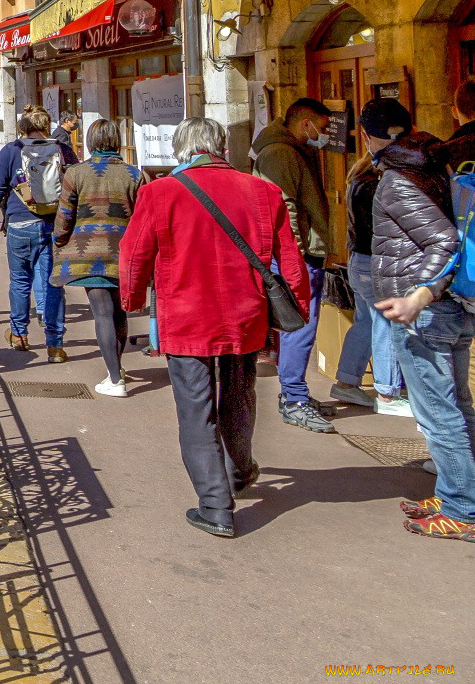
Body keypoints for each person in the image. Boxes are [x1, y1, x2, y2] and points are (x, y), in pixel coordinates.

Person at [119, 117, 309, 538]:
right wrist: (300, 307)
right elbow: (290, 258)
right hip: (245, 314)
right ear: (221, 147)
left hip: (187, 316)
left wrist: (130, 301)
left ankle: (215, 505)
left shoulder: (159, 193)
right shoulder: (263, 191)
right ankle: (239, 471)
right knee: (239, 397)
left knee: (195, 409)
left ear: (181, 150)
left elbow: (133, 255)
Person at [363, 99, 475, 542]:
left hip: (426, 314)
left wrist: (418, 295)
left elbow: (444, 241)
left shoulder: (397, 179)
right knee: (457, 407)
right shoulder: (434, 164)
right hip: (450, 308)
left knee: (438, 415)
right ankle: (458, 493)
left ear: (369, 136)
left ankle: (463, 508)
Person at [251, 97, 341, 432]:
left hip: (300, 255)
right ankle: (294, 398)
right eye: (324, 125)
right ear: (307, 123)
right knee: (299, 329)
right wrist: (296, 256)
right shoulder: (280, 153)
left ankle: (296, 394)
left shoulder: (290, 150)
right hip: (295, 257)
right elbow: (282, 208)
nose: (326, 133)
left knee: (301, 327)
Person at [0, 105, 78, 359]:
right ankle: (55, 344)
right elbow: (76, 184)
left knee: (21, 281)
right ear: (46, 125)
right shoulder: (63, 150)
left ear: (22, 127)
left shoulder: (12, 151)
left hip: (20, 224)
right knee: (53, 283)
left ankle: (19, 334)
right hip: (55, 225)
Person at [52, 119, 143, 397]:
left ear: (91, 142)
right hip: (124, 253)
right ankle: (117, 368)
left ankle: (115, 379)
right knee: (119, 312)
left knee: (102, 313)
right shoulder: (134, 175)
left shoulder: (76, 173)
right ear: (116, 140)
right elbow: (142, 218)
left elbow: (65, 215)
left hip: (86, 254)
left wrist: (59, 240)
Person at [333, 101, 409, 414]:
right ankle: (388, 393)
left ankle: (347, 382)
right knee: (383, 322)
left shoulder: (357, 176)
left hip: (358, 260)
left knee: (366, 321)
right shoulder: (377, 182)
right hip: (374, 261)